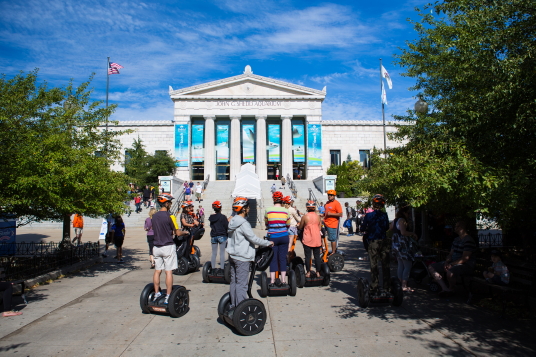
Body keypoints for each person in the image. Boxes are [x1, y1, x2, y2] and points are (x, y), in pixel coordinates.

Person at [227, 197, 273, 309]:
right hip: (242, 257)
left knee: (234, 282)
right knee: (242, 284)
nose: (249, 209)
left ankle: (234, 304)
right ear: (243, 209)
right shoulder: (243, 223)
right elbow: (253, 238)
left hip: (233, 255)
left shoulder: (232, 221)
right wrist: (267, 243)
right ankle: (241, 308)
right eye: (247, 207)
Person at [152, 194, 189, 304]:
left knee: (157, 271)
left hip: (156, 247)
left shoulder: (154, 216)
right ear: (167, 203)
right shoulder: (169, 216)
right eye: (170, 203)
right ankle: (168, 295)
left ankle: (156, 293)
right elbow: (177, 233)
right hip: (167, 246)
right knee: (168, 272)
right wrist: (185, 232)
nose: (170, 205)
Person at [428, 220, 476, 297]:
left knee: (450, 272)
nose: (455, 228)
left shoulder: (468, 240)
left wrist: (451, 264)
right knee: (431, 267)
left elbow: (465, 258)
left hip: (465, 265)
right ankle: (445, 288)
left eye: (456, 226)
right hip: (453, 262)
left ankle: (451, 289)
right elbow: (451, 254)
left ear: (461, 228)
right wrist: (447, 262)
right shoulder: (456, 240)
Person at [360, 194, 390, 293]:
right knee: (385, 264)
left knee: (374, 264)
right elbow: (386, 228)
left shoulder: (369, 215)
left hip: (373, 241)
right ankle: (387, 286)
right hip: (383, 241)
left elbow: (363, 228)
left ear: (373, 204)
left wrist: (368, 229)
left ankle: (375, 286)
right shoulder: (384, 215)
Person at [265, 191, 290, 286]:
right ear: (281, 199)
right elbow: (288, 225)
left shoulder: (268, 210)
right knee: (282, 259)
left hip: (272, 237)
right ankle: (283, 280)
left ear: (273, 200)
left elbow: (267, 224)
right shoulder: (286, 211)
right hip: (284, 236)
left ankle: (272, 281)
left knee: (273, 259)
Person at [390, 206, 418, 292]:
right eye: (408, 213)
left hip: (396, 245)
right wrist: (412, 234)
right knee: (407, 265)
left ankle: (399, 284)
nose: (408, 214)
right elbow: (403, 232)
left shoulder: (395, 220)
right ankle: (404, 285)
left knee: (400, 264)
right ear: (404, 213)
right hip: (403, 245)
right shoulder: (402, 220)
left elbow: (390, 229)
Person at [298, 201, 322, 278]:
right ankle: (318, 272)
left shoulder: (305, 217)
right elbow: (320, 227)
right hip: (317, 239)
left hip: (307, 239)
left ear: (307, 208)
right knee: (317, 256)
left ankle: (308, 272)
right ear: (314, 208)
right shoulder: (318, 217)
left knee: (308, 256)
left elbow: (300, 227)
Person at [209, 201, 229, 273]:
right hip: (222, 235)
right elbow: (226, 226)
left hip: (214, 236)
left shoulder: (211, 217)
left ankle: (213, 268)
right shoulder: (223, 217)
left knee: (214, 253)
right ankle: (222, 268)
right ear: (220, 207)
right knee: (222, 253)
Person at [323, 190, 343, 255]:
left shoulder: (336, 203)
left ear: (334, 196)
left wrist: (331, 214)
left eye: (331, 195)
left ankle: (333, 252)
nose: (329, 196)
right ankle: (323, 249)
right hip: (325, 222)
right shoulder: (327, 203)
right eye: (328, 195)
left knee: (332, 239)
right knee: (320, 235)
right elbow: (326, 212)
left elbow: (340, 214)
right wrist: (322, 215)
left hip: (332, 224)